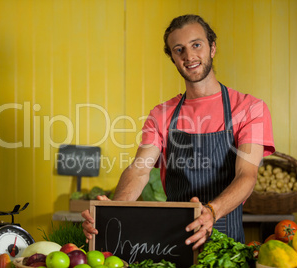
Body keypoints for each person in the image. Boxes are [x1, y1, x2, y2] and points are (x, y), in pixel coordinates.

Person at [81, 14, 275, 250]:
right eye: (179, 49)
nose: (189, 56)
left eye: (196, 45)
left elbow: (247, 174)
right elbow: (139, 171)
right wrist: (113, 210)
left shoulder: (248, 108)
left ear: (212, 48)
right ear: (172, 58)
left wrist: (211, 212)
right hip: (173, 245)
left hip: (227, 248)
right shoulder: (162, 114)